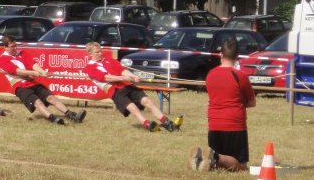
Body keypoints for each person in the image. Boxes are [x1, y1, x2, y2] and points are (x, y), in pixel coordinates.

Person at [190, 40, 256, 171]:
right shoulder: (240, 76)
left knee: (218, 167)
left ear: (221, 54)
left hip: (214, 125)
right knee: (241, 167)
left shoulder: (210, 75)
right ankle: (215, 157)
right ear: (237, 56)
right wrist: (238, 102)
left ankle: (208, 159)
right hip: (235, 125)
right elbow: (252, 102)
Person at [84, 41, 178, 132]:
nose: (100, 54)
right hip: (115, 91)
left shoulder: (109, 60)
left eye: (100, 51)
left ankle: (166, 122)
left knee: (147, 101)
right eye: (97, 52)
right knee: (132, 107)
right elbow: (106, 78)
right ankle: (146, 123)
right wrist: (124, 78)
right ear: (90, 53)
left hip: (127, 85)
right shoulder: (89, 68)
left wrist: (133, 76)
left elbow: (122, 70)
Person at [0, 35, 82, 125]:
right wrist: (33, 73)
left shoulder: (22, 53)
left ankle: (71, 115)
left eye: (15, 45)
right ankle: (53, 118)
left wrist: (41, 71)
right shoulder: (3, 59)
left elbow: (32, 64)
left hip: (31, 82)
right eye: (12, 47)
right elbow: (17, 71)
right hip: (20, 86)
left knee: (50, 97)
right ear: (5, 47)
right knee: (37, 102)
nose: (15, 48)